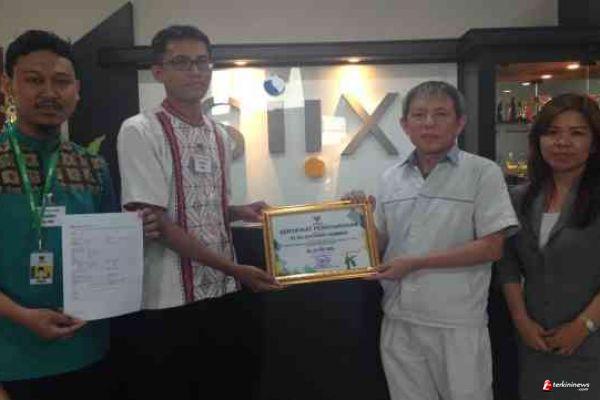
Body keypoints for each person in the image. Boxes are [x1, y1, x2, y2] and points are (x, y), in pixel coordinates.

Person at [115, 25, 279, 399]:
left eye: (202, 62)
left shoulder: (219, 134)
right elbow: (157, 222)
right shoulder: (140, 130)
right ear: (159, 71)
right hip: (169, 299)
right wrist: (235, 269)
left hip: (223, 293)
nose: (195, 71)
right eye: (181, 62)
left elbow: (198, 205)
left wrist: (238, 210)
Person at [0, 30, 158, 400]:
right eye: (34, 80)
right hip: (10, 356)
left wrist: (136, 232)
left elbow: (105, 254)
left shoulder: (92, 166)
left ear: (77, 90)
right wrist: (22, 316)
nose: (49, 93)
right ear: (8, 86)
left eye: (61, 81)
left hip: (88, 350)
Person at [346, 81, 518, 400]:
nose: (429, 123)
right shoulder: (390, 178)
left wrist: (416, 263)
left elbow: (492, 246)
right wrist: (357, 219)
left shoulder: (482, 172)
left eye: (440, 114)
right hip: (399, 319)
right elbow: (380, 245)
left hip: (457, 323)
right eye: (419, 115)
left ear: (460, 123)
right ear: (405, 125)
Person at [498, 93, 600, 399]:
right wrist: (521, 320)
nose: (562, 142)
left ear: (594, 142)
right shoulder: (520, 198)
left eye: (576, 133)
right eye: (552, 132)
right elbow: (507, 264)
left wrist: (585, 324)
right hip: (535, 345)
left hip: (589, 345)